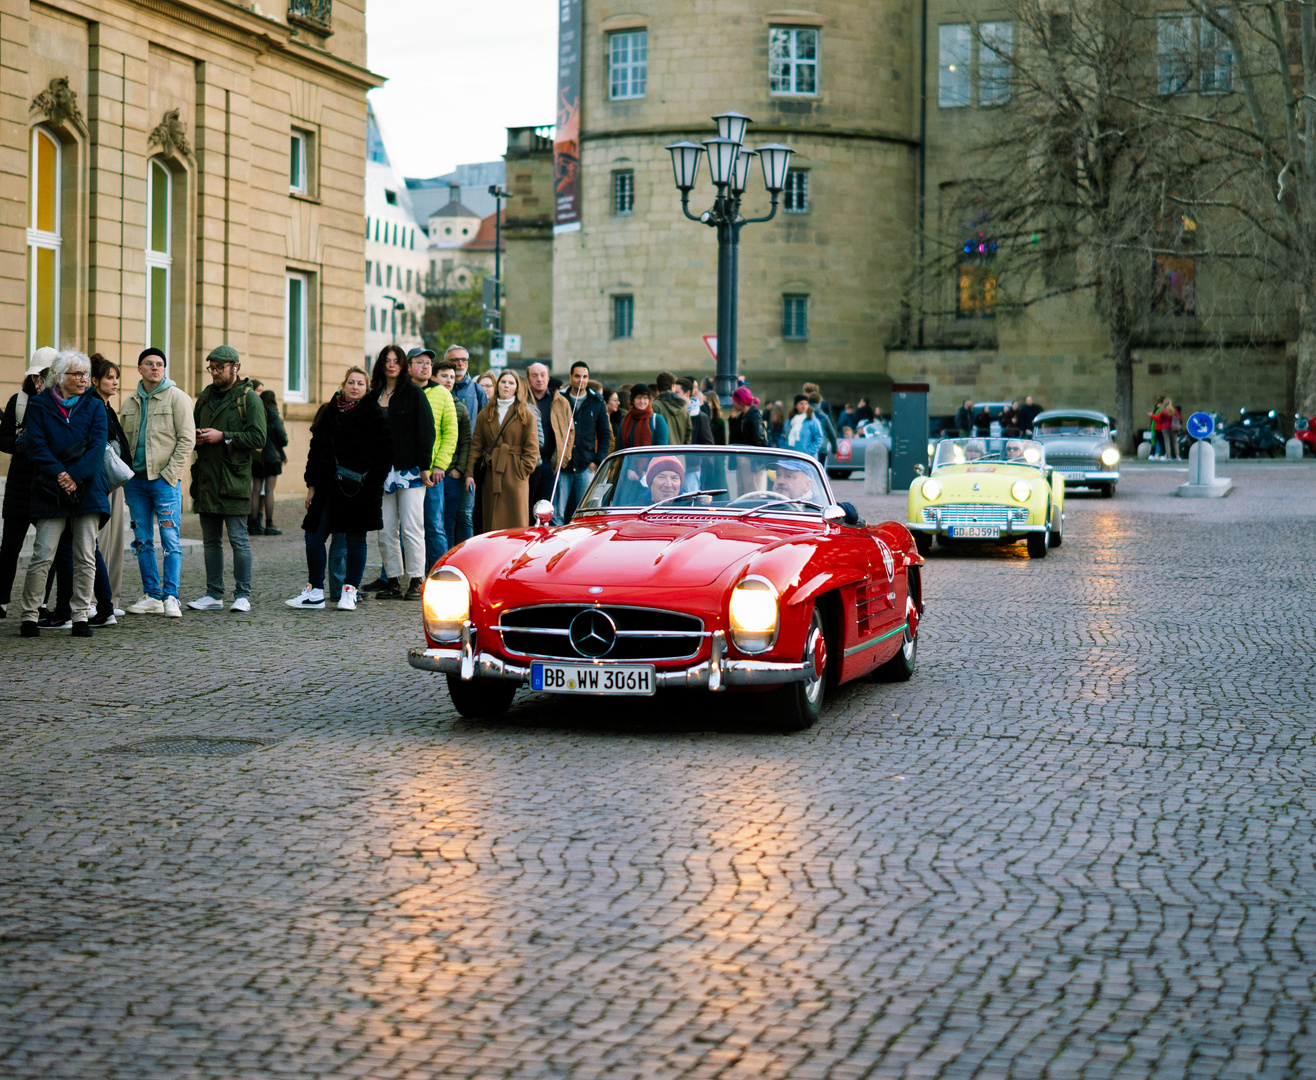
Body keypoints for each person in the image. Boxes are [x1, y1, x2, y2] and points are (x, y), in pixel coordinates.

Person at [15, 350, 109, 639]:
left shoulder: (94, 406)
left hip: (88, 489)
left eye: (85, 374)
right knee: (42, 555)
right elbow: (35, 445)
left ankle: (80, 616)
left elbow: (97, 447)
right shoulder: (39, 404)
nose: (84, 379)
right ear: (60, 377)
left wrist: (75, 476)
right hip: (49, 490)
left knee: (85, 556)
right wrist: (60, 474)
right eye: (77, 374)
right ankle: (30, 615)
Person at [285, 367, 393, 611]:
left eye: (360, 384)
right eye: (351, 382)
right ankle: (314, 591)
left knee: (355, 540)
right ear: (344, 385)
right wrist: (310, 486)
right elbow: (315, 451)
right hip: (326, 488)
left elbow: (386, 454)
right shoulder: (329, 411)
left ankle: (350, 590)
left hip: (359, 490)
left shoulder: (373, 414)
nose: (355, 387)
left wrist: (372, 485)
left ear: (367, 389)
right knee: (313, 537)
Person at [188, 345, 267, 613]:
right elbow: (192, 431)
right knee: (210, 540)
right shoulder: (205, 397)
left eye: (220, 367)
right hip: (207, 479)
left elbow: (259, 438)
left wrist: (223, 436)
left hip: (234, 479)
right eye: (212, 367)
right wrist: (197, 438)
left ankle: (242, 594)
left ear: (235, 367)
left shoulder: (248, 398)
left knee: (238, 539)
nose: (215, 372)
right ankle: (213, 594)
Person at [120, 346, 195, 618]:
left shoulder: (177, 398)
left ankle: (171, 595)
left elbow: (187, 440)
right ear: (139, 369)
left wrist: (170, 474)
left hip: (165, 482)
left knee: (170, 539)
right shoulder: (129, 403)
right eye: (149, 363)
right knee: (142, 540)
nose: (155, 368)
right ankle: (152, 595)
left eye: (160, 364)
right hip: (135, 483)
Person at [368, 344, 434, 601]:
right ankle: (393, 580)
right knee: (385, 529)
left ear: (403, 365)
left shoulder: (414, 394)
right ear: (382, 364)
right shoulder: (374, 394)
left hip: (410, 470)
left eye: (396, 360)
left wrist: (425, 465)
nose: (391, 364)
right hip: (382, 471)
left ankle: (417, 580)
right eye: (387, 360)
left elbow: (426, 431)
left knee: (412, 526)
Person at [1, 349, 62, 620]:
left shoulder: (63, 403)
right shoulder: (19, 401)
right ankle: (1, 600)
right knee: (9, 548)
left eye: (45, 376)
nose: (41, 381)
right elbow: (3, 441)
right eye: (38, 376)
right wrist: (22, 442)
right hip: (18, 486)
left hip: (48, 486)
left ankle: (41, 603)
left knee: (47, 551)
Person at [466, 370, 539, 532]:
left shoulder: (526, 413)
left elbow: (532, 448)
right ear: (498, 385)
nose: (506, 386)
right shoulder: (486, 413)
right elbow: (476, 446)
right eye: (503, 382)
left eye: (511, 383)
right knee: (492, 521)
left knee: (515, 522)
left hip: (515, 474)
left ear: (517, 387)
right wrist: (470, 473)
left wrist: (522, 469)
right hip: (492, 474)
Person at [88, 354, 131, 625]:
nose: (115, 382)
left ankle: (112, 600)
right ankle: (92, 601)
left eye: (116, 378)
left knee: (115, 540)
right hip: (99, 481)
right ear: (95, 381)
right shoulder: (92, 405)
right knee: (99, 541)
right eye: (109, 378)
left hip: (114, 480)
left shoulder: (108, 407)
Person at [408, 347, 458, 568]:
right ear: (408, 367)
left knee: (433, 524)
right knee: (405, 526)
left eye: (428, 363)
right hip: (404, 468)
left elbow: (451, 432)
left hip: (432, 472)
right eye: (420, 362)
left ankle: (439, 571)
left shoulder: (442, 393)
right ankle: (396, 575)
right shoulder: (401, 392)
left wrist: (440, 464)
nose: (426, 366)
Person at [555, 361, 611, 522]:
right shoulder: (561, 398)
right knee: (558, 512)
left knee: (587, 512)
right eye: (578, 376)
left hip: (586, 464)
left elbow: (604, 434)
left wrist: (596, 461)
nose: (581, 380)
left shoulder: (596, 400)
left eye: (585, 377)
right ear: (571, 377)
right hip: (564, 465)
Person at [444, 344, 487, 547]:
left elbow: (485, 426)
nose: (459, 363)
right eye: (455, 360)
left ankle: (465, 557)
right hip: (443, 462)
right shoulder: (439, 389)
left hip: (470, 461)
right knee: (443, 517)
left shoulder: (477, 391)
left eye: (463, 360)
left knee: (465, 515)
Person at [433, 357, 472, 553]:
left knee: (447, 523)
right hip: (428, 472)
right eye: (444, 376)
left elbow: (466, 441)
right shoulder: (425, 400)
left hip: (450, 474)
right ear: (434, 377)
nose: (449, 380)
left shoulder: (460, 408)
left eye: (452, 377)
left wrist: (459, 469)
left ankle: (444, 563)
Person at [527, 362, 574, 517]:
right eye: (534, 376)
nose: (539, 379)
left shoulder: (561, 402)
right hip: (528, 465)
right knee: (527, 508)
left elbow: (570, 431)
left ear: (548, 378)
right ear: (528, 379)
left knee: (547, 509)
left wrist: (563, 458)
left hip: (551, 463)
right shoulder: (523, 402)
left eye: (542, 375)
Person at [250, 390, 289, 535]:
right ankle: (269, 524)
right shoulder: (275, 417)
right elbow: (283, 440)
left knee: (255, 491)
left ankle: (253, 524)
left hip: (258, 457)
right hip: (273, 459)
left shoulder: (257, 414)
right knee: (269, 491)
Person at [618, 383, 670, 449]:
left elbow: (661, 448)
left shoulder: (657, 420)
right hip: (630, 459)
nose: (642, 401)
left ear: (649, 400)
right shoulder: (625, 421)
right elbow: (619, 447)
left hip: (653, 459)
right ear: (632, 400)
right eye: (639, 398)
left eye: (645, 398)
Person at [780, 394, 825, 459]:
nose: (804, 406)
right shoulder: (790, 420)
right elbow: (783, 436)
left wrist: (808, 452)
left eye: (806, 404)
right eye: (801, 404)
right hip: (789, 458)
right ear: (796, 405)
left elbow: (819, 438)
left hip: (806, 459)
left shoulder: (812, 420)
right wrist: (783, 449)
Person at [652, 372, 691, 445]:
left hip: (660, 454)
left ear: (657, 387)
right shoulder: (684, 408)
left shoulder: (654, 406)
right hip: (679, 454)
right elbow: (688, 436)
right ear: (672, 386)